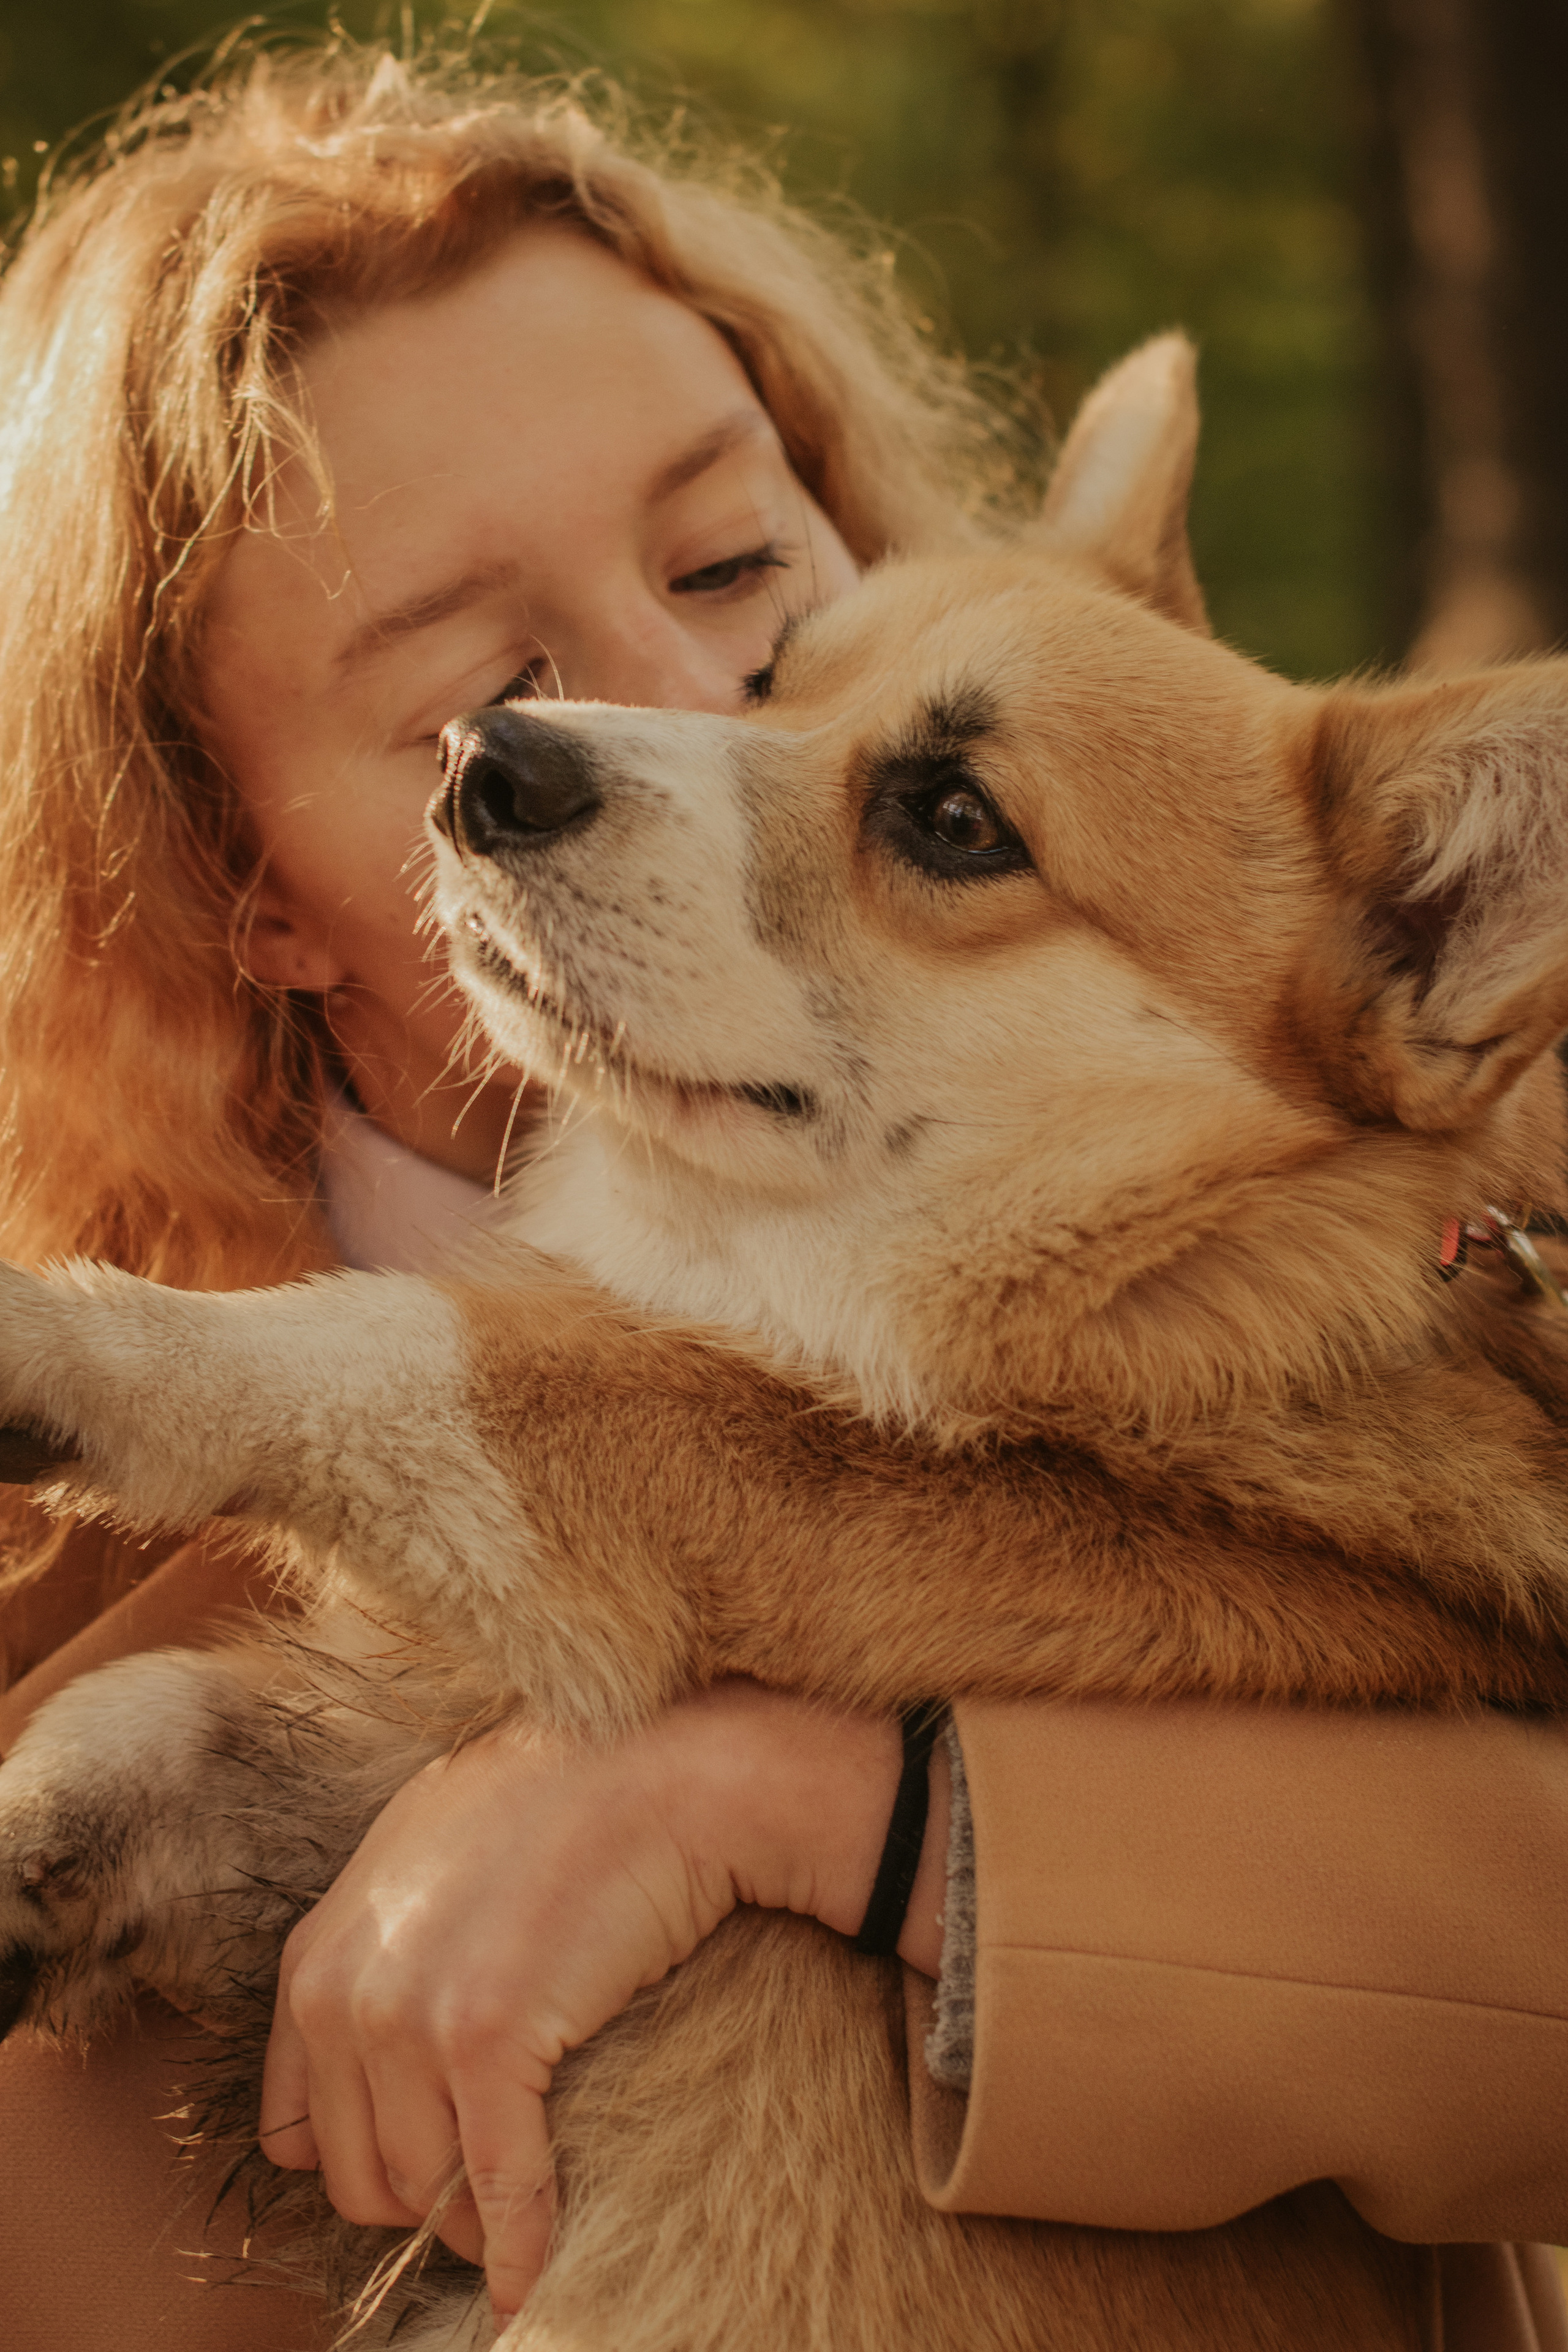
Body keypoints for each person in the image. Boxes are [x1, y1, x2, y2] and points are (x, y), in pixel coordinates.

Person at [1, 37, 1567, 2352]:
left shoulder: (1448, 1277)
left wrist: (834, 1806)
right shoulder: (75, 1602)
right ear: (242, 888)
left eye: (741, 573)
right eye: (492, 683)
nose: (664, 725)